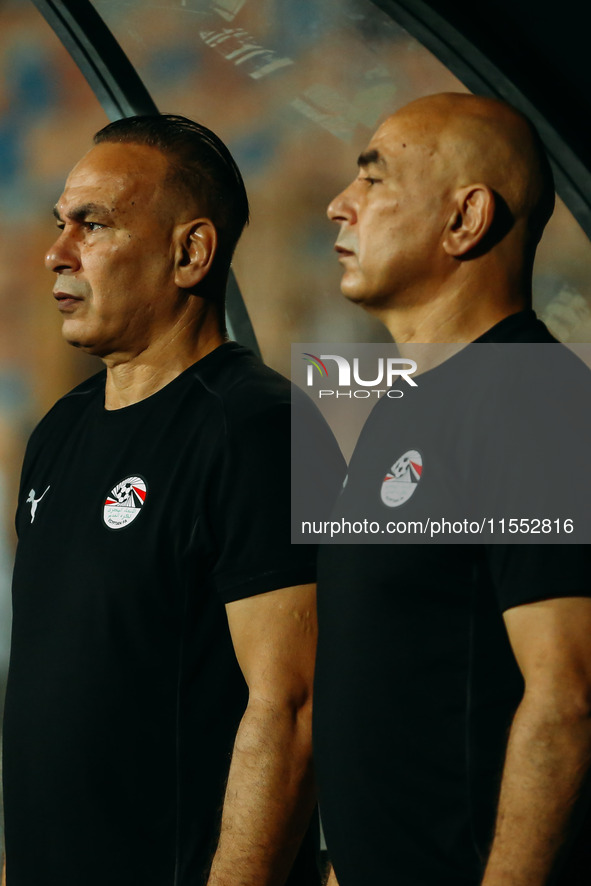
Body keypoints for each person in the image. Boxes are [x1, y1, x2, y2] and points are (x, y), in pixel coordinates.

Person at [1, 114, 343, 886]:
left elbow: (293, 707)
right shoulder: (61, 430)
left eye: (93, 225)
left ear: (189, 252)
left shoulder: (262, 430)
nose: (58, 252)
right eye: (61, 223)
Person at [313, 93, 591, 885]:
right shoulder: (403, 402)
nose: (339, 206)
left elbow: (567, 697)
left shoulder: (531, 401)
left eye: (372, 180)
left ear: (464, 220)